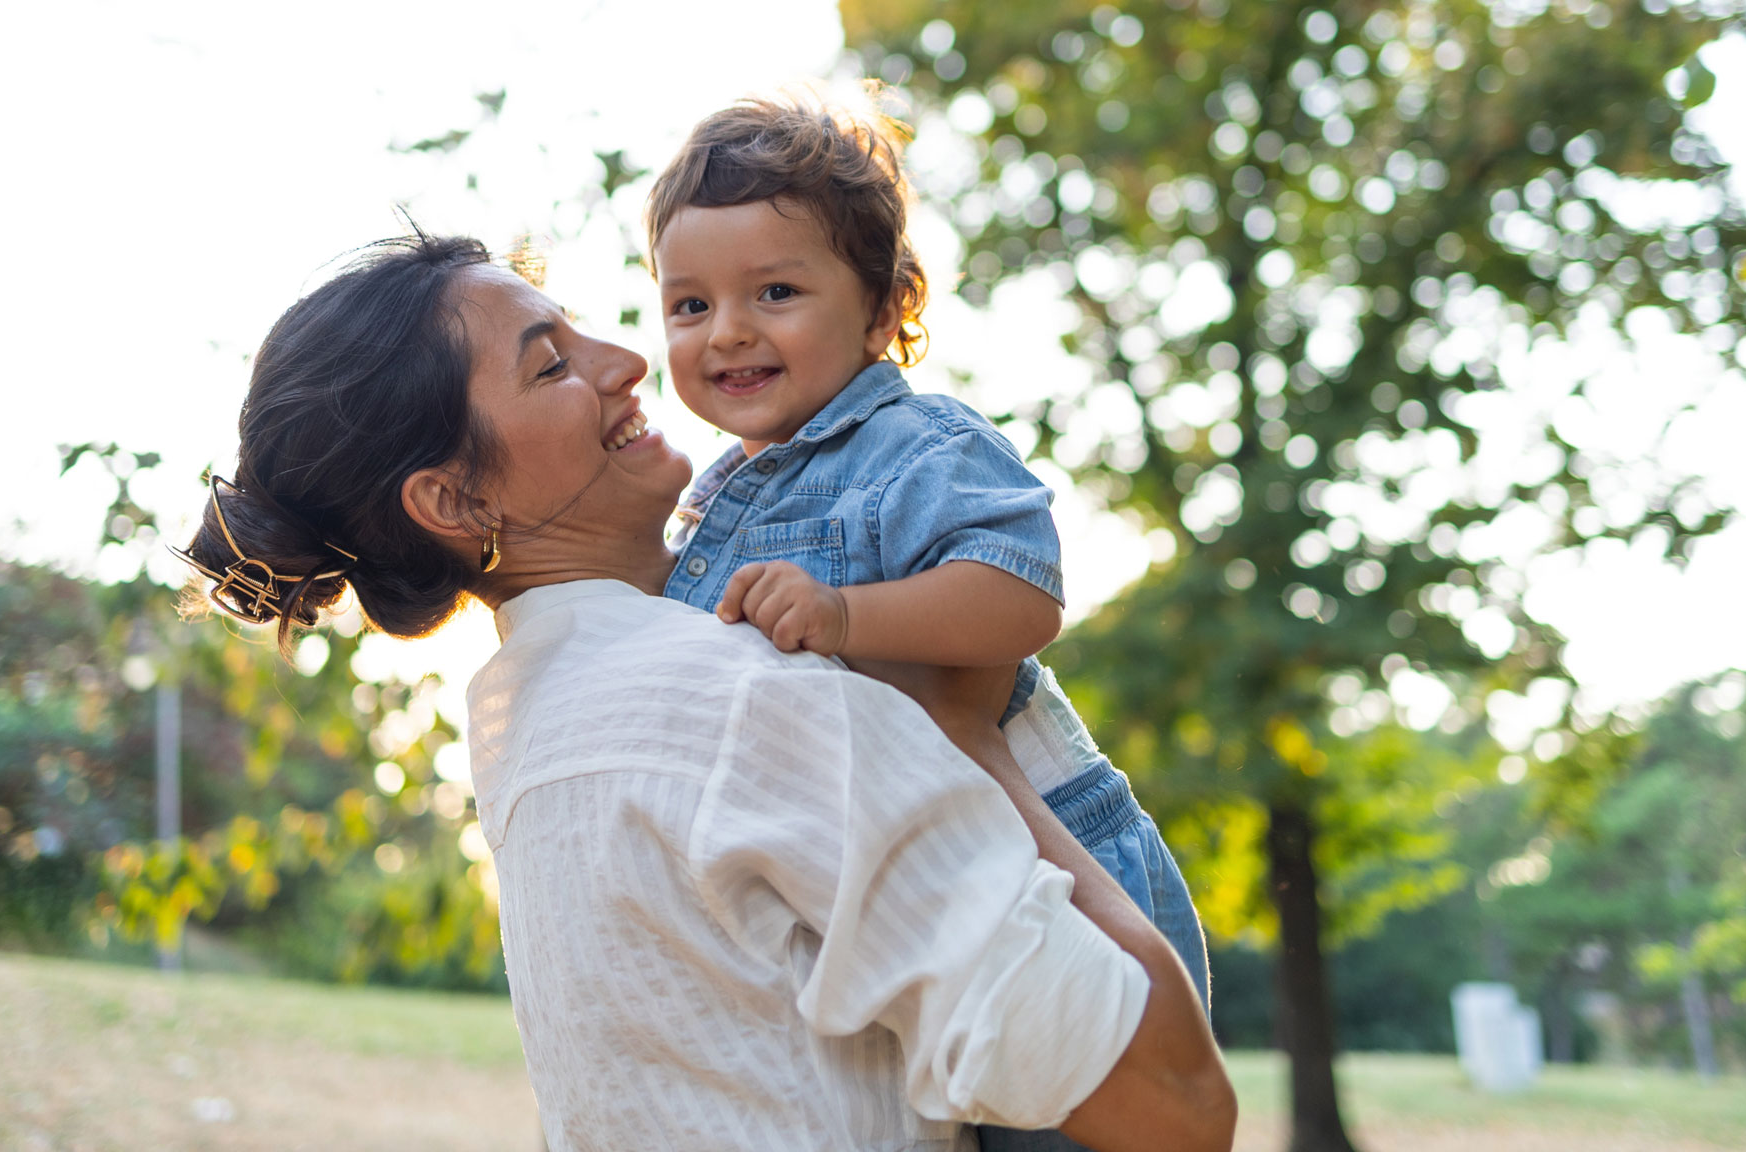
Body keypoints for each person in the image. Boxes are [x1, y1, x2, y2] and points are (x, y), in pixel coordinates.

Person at [179, 234, 1235, 1152]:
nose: (630, 358)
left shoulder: (524, 737)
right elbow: (1178, 1108)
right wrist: (973, 738)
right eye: (551, 367)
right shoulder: (749, 702)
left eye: (581, 328)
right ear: (456, 498)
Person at [643, 92, 1212, 1080]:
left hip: (1060, 869)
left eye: (774, 292)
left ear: (883, 306)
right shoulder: (714, 502)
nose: (727, 331)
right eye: (691, 305)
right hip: (927, 886)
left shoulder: (915, 445)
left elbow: (1020, 596)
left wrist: (848, 614)